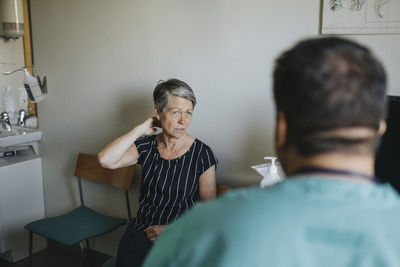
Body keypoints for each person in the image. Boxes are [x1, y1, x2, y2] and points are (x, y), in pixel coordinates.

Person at [143, 37, 400, 267]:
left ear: (282, 129)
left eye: (188, 112)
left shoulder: (199, 229)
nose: (183, 119)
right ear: (379, 130)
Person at [98, 78, 218, 267]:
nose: (183, 121)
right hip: (141, 231)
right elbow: (105, 160)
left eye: (188, 113)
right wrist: (140, 129)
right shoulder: (145, 146)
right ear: (158, 112)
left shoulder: (202, 154)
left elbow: (210, 211)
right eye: (175, 112)